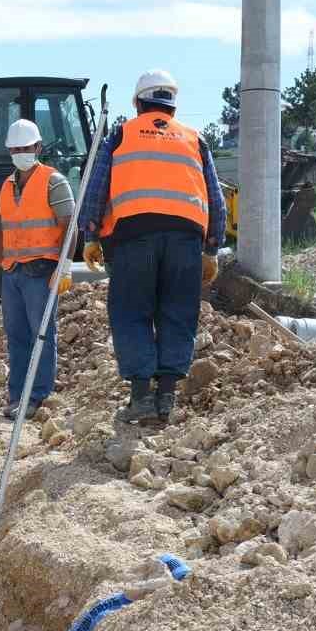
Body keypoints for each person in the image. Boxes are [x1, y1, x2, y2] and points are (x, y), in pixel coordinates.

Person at [78, 70, 226, 425]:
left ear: (137, 102)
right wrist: (212, 249)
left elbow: (97, 185)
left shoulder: (123, 133)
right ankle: (167, 398)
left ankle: (141, 396)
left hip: (134, 237)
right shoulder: (194, 139)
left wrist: (91, 235)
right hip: (186, 238)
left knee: (132, 311)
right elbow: (215, 197)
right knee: (178, 310)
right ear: (172, 104)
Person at [0, 118, 74, 419]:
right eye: (15, 149)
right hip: (13, 273)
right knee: (17, 336)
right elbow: (5, 231)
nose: (21, 153)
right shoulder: (7, 186)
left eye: (26, 148)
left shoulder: (54, 181)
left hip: (42, 271)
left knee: (41, 335)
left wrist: (65, 268)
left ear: (38, 147)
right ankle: (17, 394)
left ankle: (37, 396)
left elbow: (71, 225)